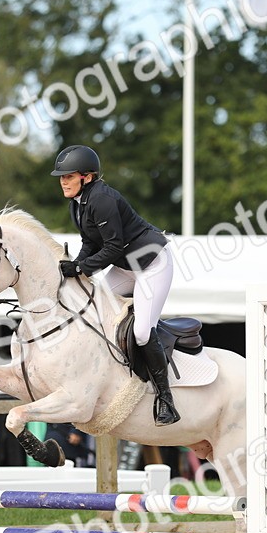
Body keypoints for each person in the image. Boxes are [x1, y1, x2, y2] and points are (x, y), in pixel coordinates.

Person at [51, 144, 180, 425]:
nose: (63, 181)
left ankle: (165, 398)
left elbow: (111, 247)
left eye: (68, 176)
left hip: (152, 265)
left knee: (144, 332)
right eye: (61, 177)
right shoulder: (78, 204)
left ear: (87, 176)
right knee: (91, 310)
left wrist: (81, 268)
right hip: (126, 267)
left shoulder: (102, 200)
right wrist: (74, 268)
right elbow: (90, 243)